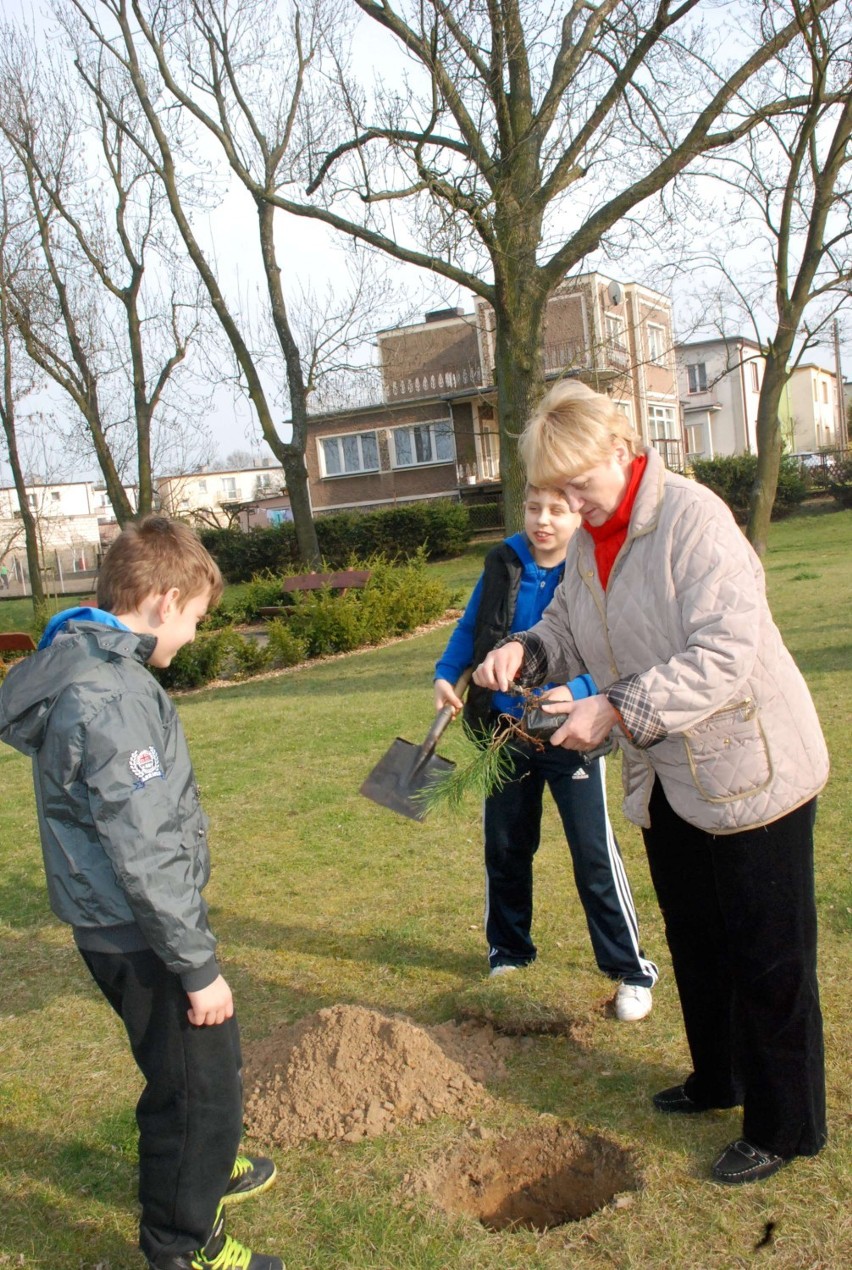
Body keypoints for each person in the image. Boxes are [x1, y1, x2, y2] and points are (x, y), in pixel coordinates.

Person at [474, 381, 829, 1186]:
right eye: (552, 489)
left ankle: (786, 1125)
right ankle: (719, 1080)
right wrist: (524, 653)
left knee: (769, 957)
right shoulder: (594, 539)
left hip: (750, 770)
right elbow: (566, 623)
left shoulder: (692, 519)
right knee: (697, 939)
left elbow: (726, 650)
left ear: (621, 449)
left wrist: (615, 708)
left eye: (577, 485)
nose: (566, 503)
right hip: (670, 777)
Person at [0, 516, 282, 1268]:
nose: (191, 637)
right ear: (161, 600)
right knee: (198, 1093)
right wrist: (197, 966)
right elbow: (146, 848)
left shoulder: (87, 665)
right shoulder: (113, 695)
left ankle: (203, 1172)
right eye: (193, 619)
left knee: (193, 1073)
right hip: (143, 932)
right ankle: (183, 1246)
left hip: (120, 925)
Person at [435, 484, 658, 1021]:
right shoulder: (503, 564)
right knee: (506, 846)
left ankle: (629, 970)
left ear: (579, 513)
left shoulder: (590, 570)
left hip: (571, 732)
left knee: (593, 853)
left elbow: (614, 650)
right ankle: (509, 953)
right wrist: (448, 677)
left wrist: (581, 693)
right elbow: (470, 630)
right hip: (507, 733)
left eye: (557, 510)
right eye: (533, 507)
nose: (543, 521)